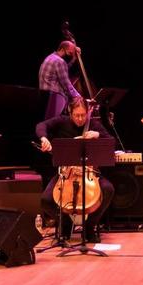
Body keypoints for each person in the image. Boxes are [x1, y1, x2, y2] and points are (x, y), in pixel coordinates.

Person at [36, 97, 115, 243]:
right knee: (46, 200)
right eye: (77, 115)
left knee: (108, 189)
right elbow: (41, 125)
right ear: (70, 112)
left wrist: (98, 135)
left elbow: (110, 141)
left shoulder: (94, 124)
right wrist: (44, 138)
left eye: (83, 115)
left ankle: (89, 227)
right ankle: (66, 223)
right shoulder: (61, 122)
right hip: (66, 173)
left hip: (90, 173)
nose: (80, 119)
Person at [39, 40, 81, 119]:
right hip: (54, 97)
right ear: (62, 49)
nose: (71, 56)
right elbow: (66, 84)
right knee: (53, 124)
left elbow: (63, 70)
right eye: (70, 53)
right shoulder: (60, 61)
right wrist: (78, 97)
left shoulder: (50, 57)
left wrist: (74, 58)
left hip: (44, 96)